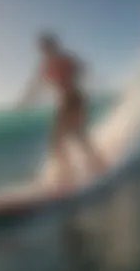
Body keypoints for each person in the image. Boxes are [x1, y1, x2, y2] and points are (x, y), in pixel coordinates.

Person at [19, 32, 106, 187]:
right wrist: (26, 101)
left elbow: (82, 68)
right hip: (64, 102)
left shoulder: (64, 59)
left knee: (77, 137)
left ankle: (98, 168)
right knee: (59, 142)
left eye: (46, 47)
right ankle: (70, 176)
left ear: (53, 46)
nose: (44, 51)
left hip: (74, 99)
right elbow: (36, 85)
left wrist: (73, 76)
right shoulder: (46, 66)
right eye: (43, 49)